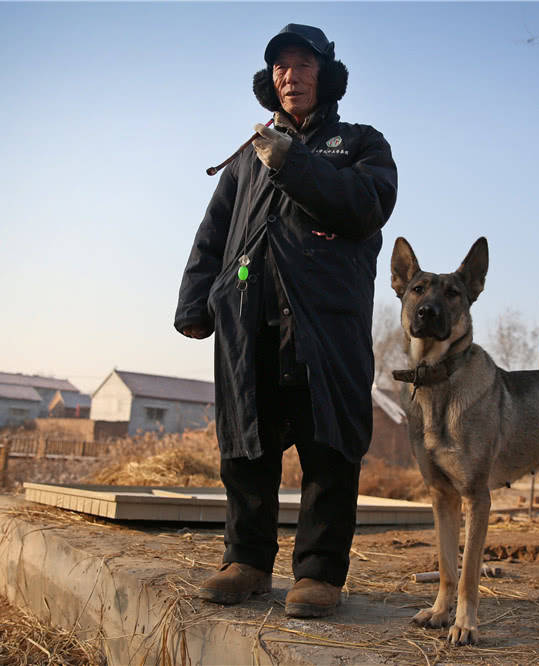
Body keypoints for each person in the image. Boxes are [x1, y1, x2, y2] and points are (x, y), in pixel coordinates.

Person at [174, 24, 397, 618]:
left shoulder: (360, 144)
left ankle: (319, 573)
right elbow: (213, 235)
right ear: (269, 81)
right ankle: (246, 562)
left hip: (327, 321)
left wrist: (296, 163)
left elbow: (368, 207)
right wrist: (195, 301)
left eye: (302, 65)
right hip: (251, 320)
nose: (290, 75)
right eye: (280, 68)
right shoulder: (245, 158)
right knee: (247, 443)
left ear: (326, 75)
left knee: (330, 446)